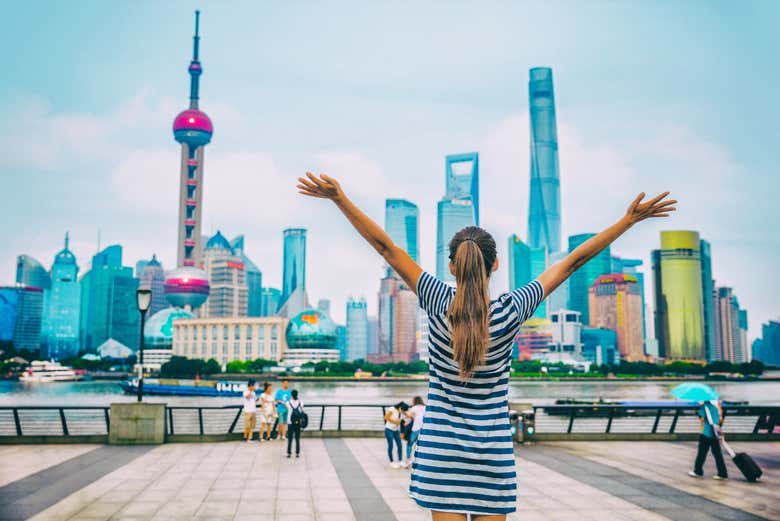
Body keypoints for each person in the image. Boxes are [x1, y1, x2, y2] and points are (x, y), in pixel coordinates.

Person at [297, 172, 675, 519]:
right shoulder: (511, 310)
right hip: (491, 454)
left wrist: (339, 198)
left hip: (440, 453)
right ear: (495, 266)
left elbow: (386, 248)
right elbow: (573, 262)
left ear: (451, 266)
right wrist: (629, 221)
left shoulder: (435, 297)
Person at [689, 399, 728, 480]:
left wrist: (699, 409)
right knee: (718, 454)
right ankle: (723, 473)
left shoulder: (704, 407)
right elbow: (720, 420)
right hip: (715, 433)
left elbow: (702, 419)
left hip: (706, 433)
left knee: (701, 453)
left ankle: (698, 471)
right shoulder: (716, 407)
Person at [402, 396, 425, 468]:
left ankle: (408, 460)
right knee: (421, 445)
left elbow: (409, 415)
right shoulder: (425, 407)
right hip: (424, 428)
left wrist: (403, 412)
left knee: (410, 444)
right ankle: (420, 460)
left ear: (415, 401)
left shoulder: (414, 408)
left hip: (416, 428)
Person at [384, 402, 405, 468]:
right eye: (402, 409)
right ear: (399, 407)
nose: (402, 411)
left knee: (400, 445)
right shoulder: (392, 409)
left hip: (396, 430)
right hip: (388, 429)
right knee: (391, 445)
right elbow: (386, 417)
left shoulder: (401, 413)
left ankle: (400, 461)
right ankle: (391, 462)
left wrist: (402, 433)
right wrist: (394, 421)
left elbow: (402, 423)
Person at [286, 389, 304, 458]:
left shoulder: (288, 402)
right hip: (298, 422)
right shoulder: (300, 402)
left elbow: (286, 407)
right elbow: (302, 408)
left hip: (290, 422)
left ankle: (289, 453)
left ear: (291, 395)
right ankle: (297, 453)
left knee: (290, 438)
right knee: (297, 438)